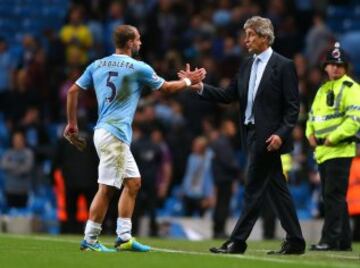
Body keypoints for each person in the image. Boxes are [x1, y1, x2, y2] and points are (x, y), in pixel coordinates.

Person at [64, 24, 205, 252]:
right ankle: (89, 240)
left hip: (105, 132)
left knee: (133, 183)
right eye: (138, 39)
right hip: (115, 135)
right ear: (129, 43)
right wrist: (190, 81)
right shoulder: (138, 67)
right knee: (107, 188)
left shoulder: (97, 64)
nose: (140, 43)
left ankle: (124, 237)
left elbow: (72, 91)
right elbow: (167, 88)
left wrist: (72, 124)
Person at [179, 16, 305, 255]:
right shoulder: (246, 64)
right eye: (246, 34)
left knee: (253, 189)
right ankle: (296, 240)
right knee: (277, 189)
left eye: (251, 35)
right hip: (250, 135)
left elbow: (292, 107)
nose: (245, 39)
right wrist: (199, 87)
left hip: (268, 138)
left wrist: (281, 134)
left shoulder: (284, 65)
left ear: (265, 37)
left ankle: (238, 241)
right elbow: (228, 95)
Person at [306, 42, 360, 251]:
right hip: (323, 152)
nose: (335, 68)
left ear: (346, 67)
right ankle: (344, 241)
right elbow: (313, 116)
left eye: (339, 65)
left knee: (332, 196)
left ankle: (329, 239)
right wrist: (309, 133)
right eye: (332, 64)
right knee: (335, 197)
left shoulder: (352, 88)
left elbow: (354, 120)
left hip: (340, 150)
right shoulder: (323, 89)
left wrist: (333, 137)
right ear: (325, 67)